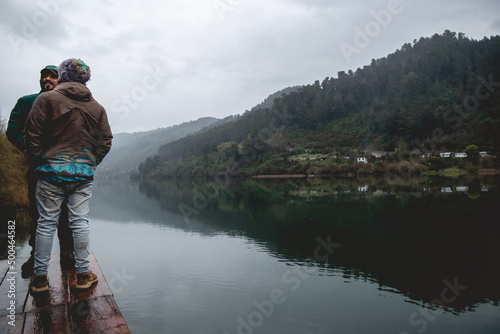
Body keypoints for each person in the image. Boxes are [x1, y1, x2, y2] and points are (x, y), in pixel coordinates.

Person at [25, 58, 113, 293]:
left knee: (45, 223)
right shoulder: (97, 107)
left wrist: (39, 161)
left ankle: (40, 280)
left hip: (50, 173)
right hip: (82, 177)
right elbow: (106, 141)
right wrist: (91, 163)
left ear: (63, 75)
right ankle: (83, 275)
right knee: (80, 222)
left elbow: (31, 134)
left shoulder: (46, 99)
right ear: (85, 79)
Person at [6, 65, 75, 278]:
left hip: (63, 170)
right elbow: (12, 131)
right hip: (37, 168)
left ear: (59, 81)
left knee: (66, 215)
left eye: (53, 77)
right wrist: (31, 149)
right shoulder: (26, 102)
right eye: (44, 76)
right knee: (38, 215)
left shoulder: (67, 105)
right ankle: (36, 255)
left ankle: (67, 254)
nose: (48, 79)